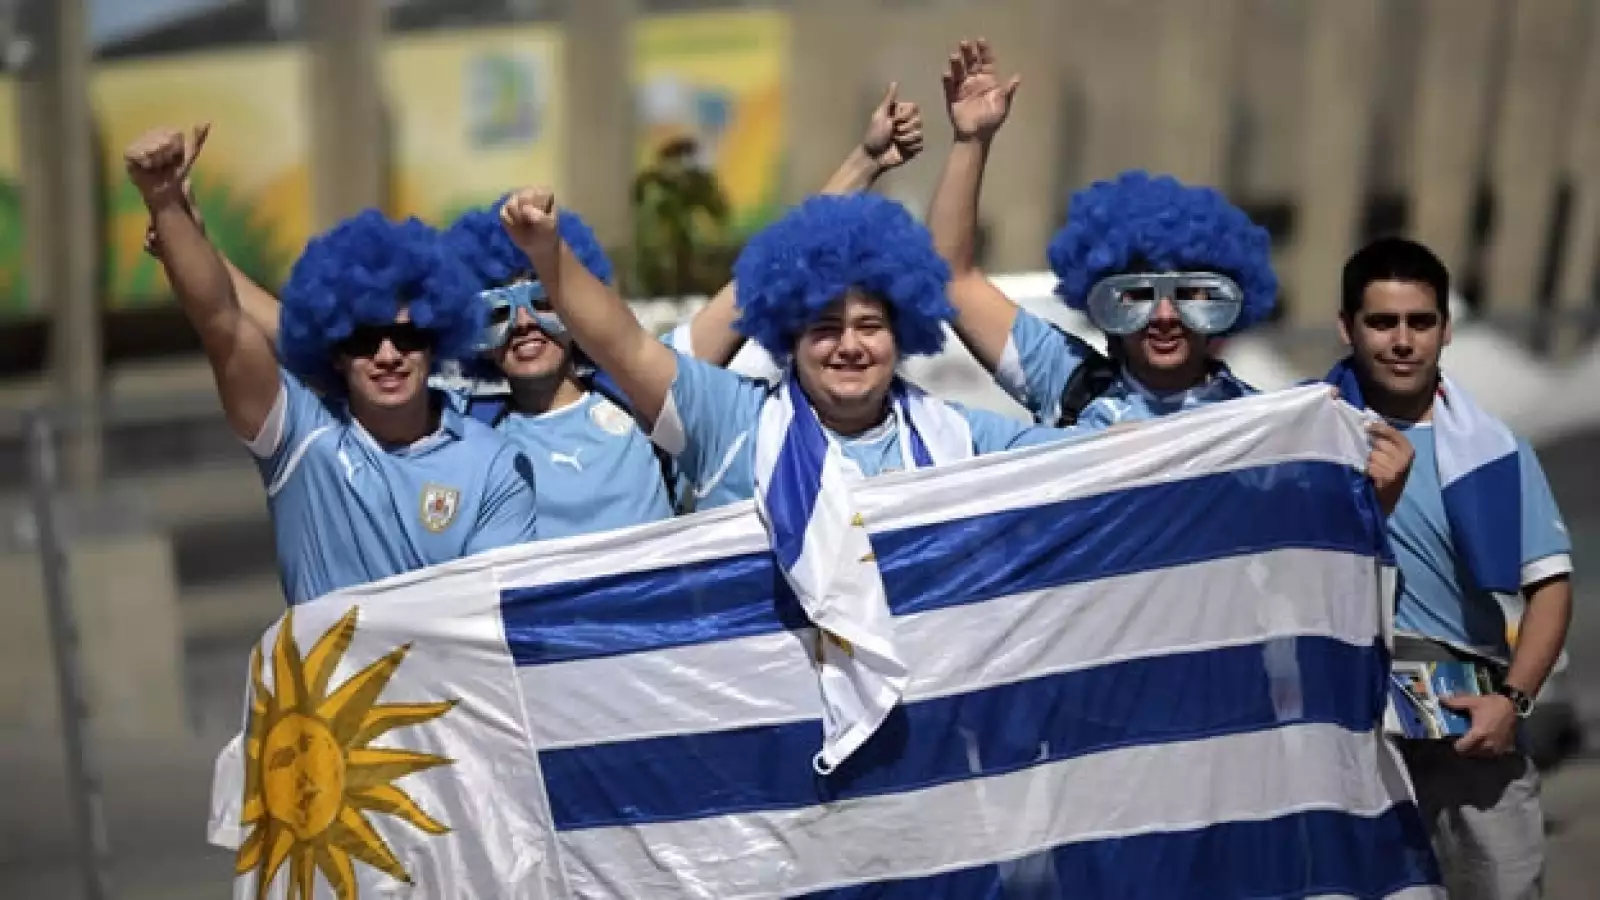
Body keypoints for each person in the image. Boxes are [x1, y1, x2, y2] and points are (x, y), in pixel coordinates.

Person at [500, 187, 1077, 773]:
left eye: (870, 325)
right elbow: (622, 344)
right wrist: (549, 253)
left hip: (928, 756)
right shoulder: (732, 422)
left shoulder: (962, 437)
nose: (849, 346)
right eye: (825, 328)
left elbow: (1101, 468)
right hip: (764, 763)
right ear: (788, 338)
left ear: (902, 334)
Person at [925, 37, 1413, 512]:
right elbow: (952, 276)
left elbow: (1306, 540)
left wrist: (1378, 501)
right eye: (1136, 294)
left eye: (1191, 294)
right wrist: (971, 142)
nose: (1164, 316)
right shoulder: (1070, 380)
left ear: (1228, 302)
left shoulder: (1261, 427)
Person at [434, 85, 929, 533]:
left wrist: (864, 163)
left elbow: (768, 271)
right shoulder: (463, 432)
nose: (523, 325)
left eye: (544, 302)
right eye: (497, 313)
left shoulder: (640, 392)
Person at [127, 126, 540, 605]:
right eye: (364, 340)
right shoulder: (301, 439)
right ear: (336, 352)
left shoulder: (492, 462)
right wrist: (163, 200)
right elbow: (221, 321)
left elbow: (497, 618)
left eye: (407, 336)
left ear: (436, 340)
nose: (388, 355)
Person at [1328, 236, 1573, 900]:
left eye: (1420, 321)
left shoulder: (1497, 450)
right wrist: (1367, 508)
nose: (1403, 341)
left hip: (1471, 739)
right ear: (1347, 327)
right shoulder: (1302, 439)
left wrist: (1511, 704)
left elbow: (1551, 588)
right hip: (1343, 739)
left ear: (1446, 329)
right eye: (1383, 322)